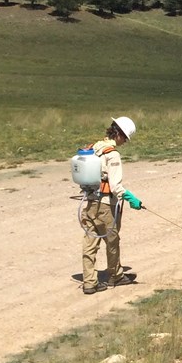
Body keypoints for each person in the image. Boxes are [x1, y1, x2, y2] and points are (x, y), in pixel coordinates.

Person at [79, 116, 143, 295]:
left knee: (89, 243)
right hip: (107, 205)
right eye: (125, 139)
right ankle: (115, 275)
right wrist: (131, 198)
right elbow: (115, 186)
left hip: (90, 202)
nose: (124, 143)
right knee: (112, 241)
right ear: (121, 135)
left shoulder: (94, 147)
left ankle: (89, 282)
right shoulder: (112, 154)